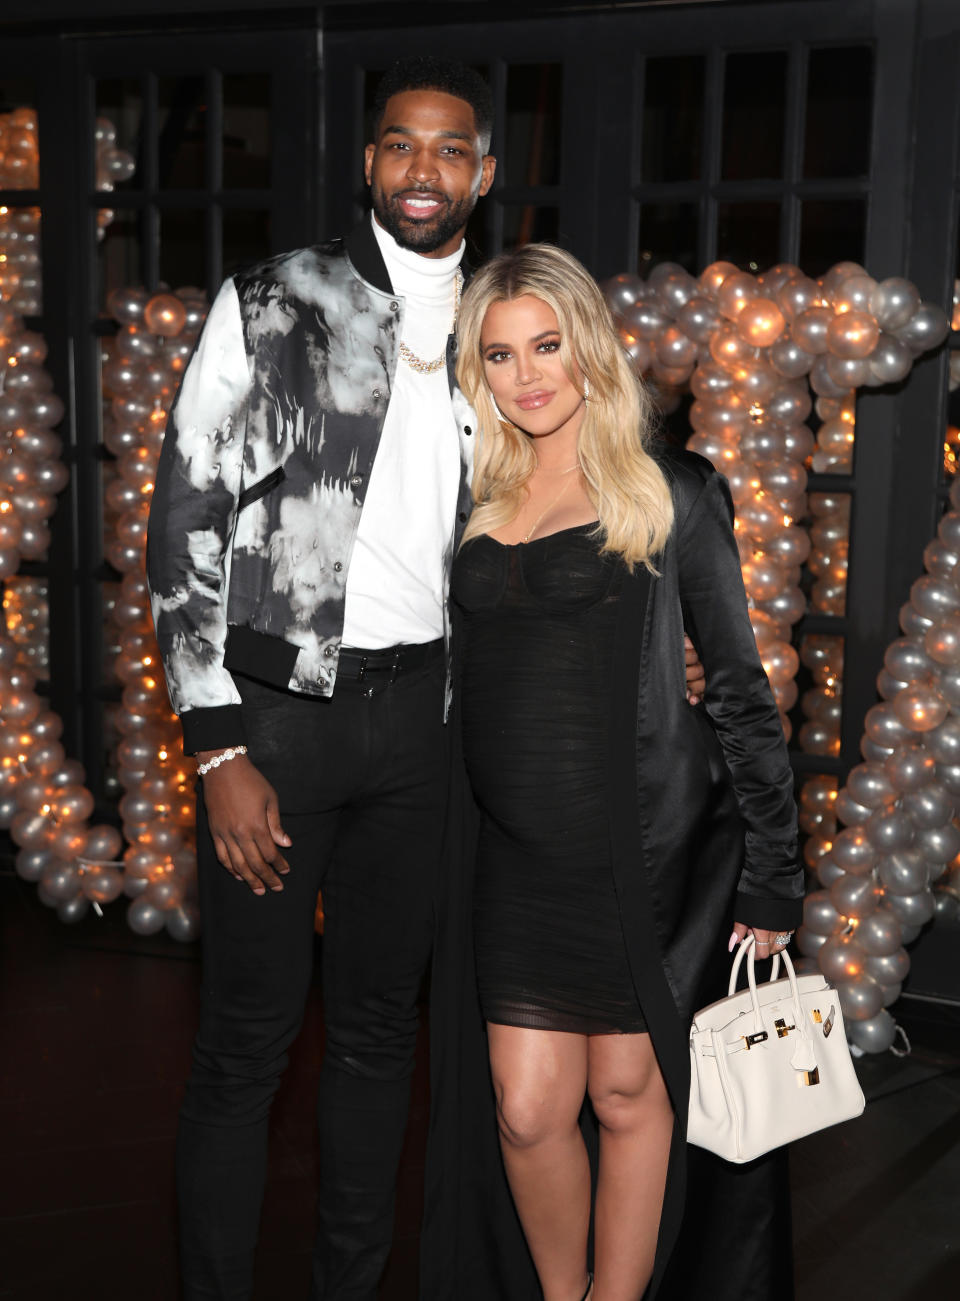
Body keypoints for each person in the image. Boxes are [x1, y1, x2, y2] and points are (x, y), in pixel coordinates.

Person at [146, 55, 703, 1300]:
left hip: (427, 733)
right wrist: (217, 743)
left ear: (484, 173)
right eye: (401, 145)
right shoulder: (274, 297)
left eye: (451, 150)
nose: (422, 170)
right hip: (274, 726)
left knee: (379, 1042)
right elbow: (182, 515)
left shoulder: (497, 333)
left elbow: (570, 511)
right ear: (369, 161)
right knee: (244, 1046)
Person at [443, 243, 804, 1301]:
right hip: (512, 861)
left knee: (629, 1089)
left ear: (589, 348)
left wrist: (776, 870)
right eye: (501, 355)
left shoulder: (673, 492)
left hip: (640, 855)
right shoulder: (472, 493)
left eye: (546, 345)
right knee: (523, 1106)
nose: (528, 375)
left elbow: (739, 688)